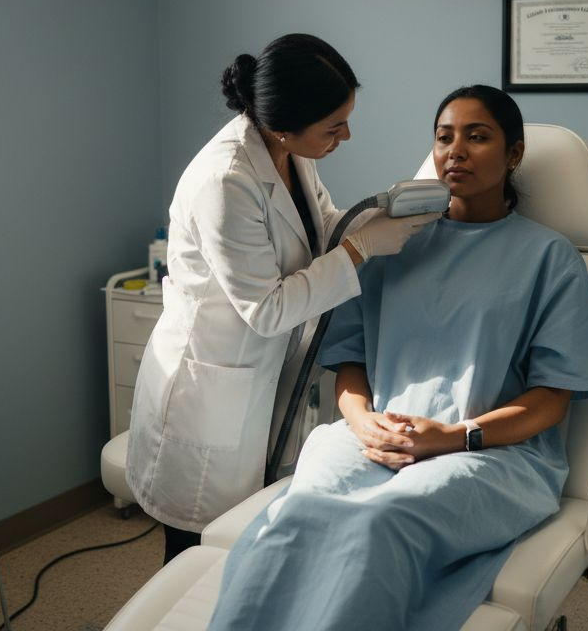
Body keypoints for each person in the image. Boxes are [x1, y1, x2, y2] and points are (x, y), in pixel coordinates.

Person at [207, 85, 588, 630]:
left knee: (382, 522)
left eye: (477, 137)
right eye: (444, 137)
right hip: (373, 437)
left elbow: (551, 400)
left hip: (491, 453)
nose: (456, 151)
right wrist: (360, 421)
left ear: (513, 154)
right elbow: (350, 361)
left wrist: (452, 437)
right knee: (297, 515)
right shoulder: (391, 243)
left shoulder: (550, 258)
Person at [126, 33, 439, 563]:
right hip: (211, 387)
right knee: (196, 552)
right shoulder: (225, 181)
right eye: (334, 126)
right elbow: (266, 309)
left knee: (252, 537)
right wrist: (361, 249)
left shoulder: (290, 152)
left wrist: (376, 221)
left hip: (264, 376)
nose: (347, 135)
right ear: (283, 124)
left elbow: (320, 228)